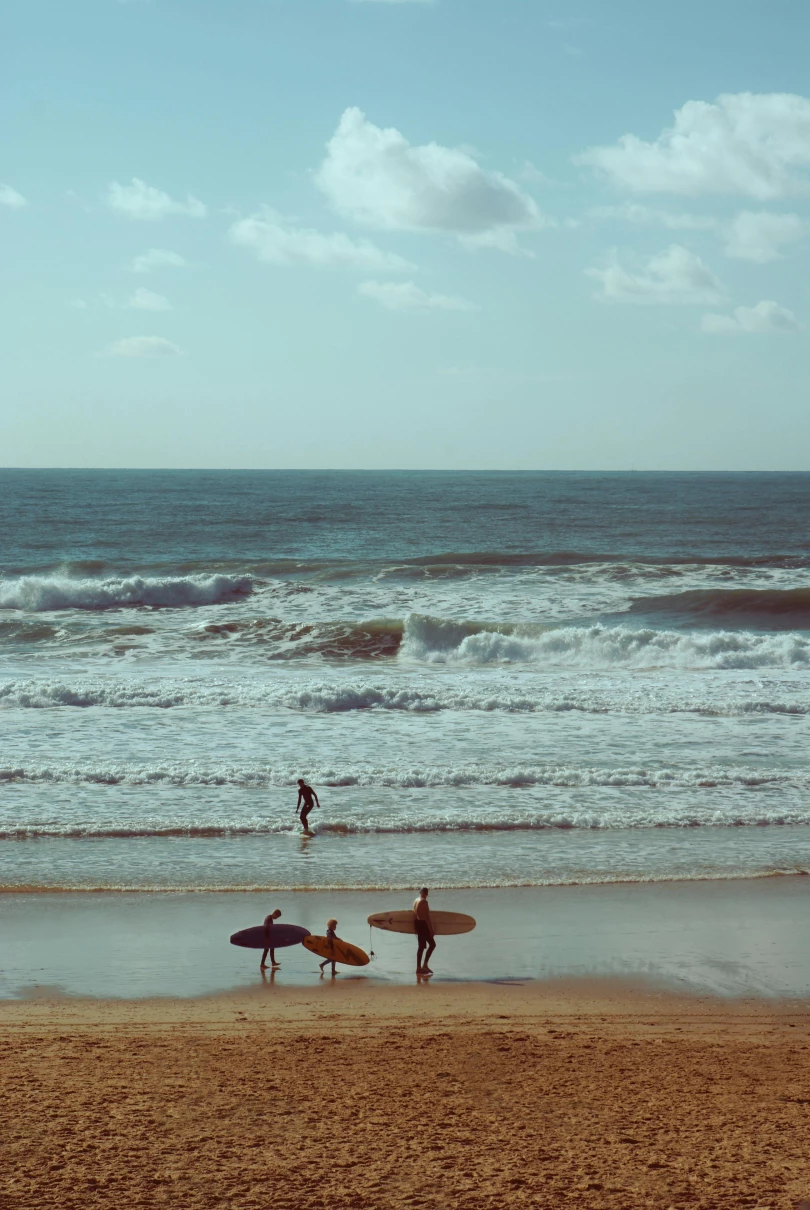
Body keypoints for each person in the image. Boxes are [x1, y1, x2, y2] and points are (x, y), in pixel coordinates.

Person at [413, 887, 436, 975]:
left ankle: (419, 967)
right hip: (423, 925)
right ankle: (424, 965)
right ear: (425, 894)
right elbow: (427, 917)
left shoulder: (416, 900)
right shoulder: (424, 902)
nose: (426, 895)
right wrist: (431, 930)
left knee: (421, 947)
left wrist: (415, 927)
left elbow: (415, 914)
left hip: (418, 924)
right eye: (426, 894)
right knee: (432, 944)